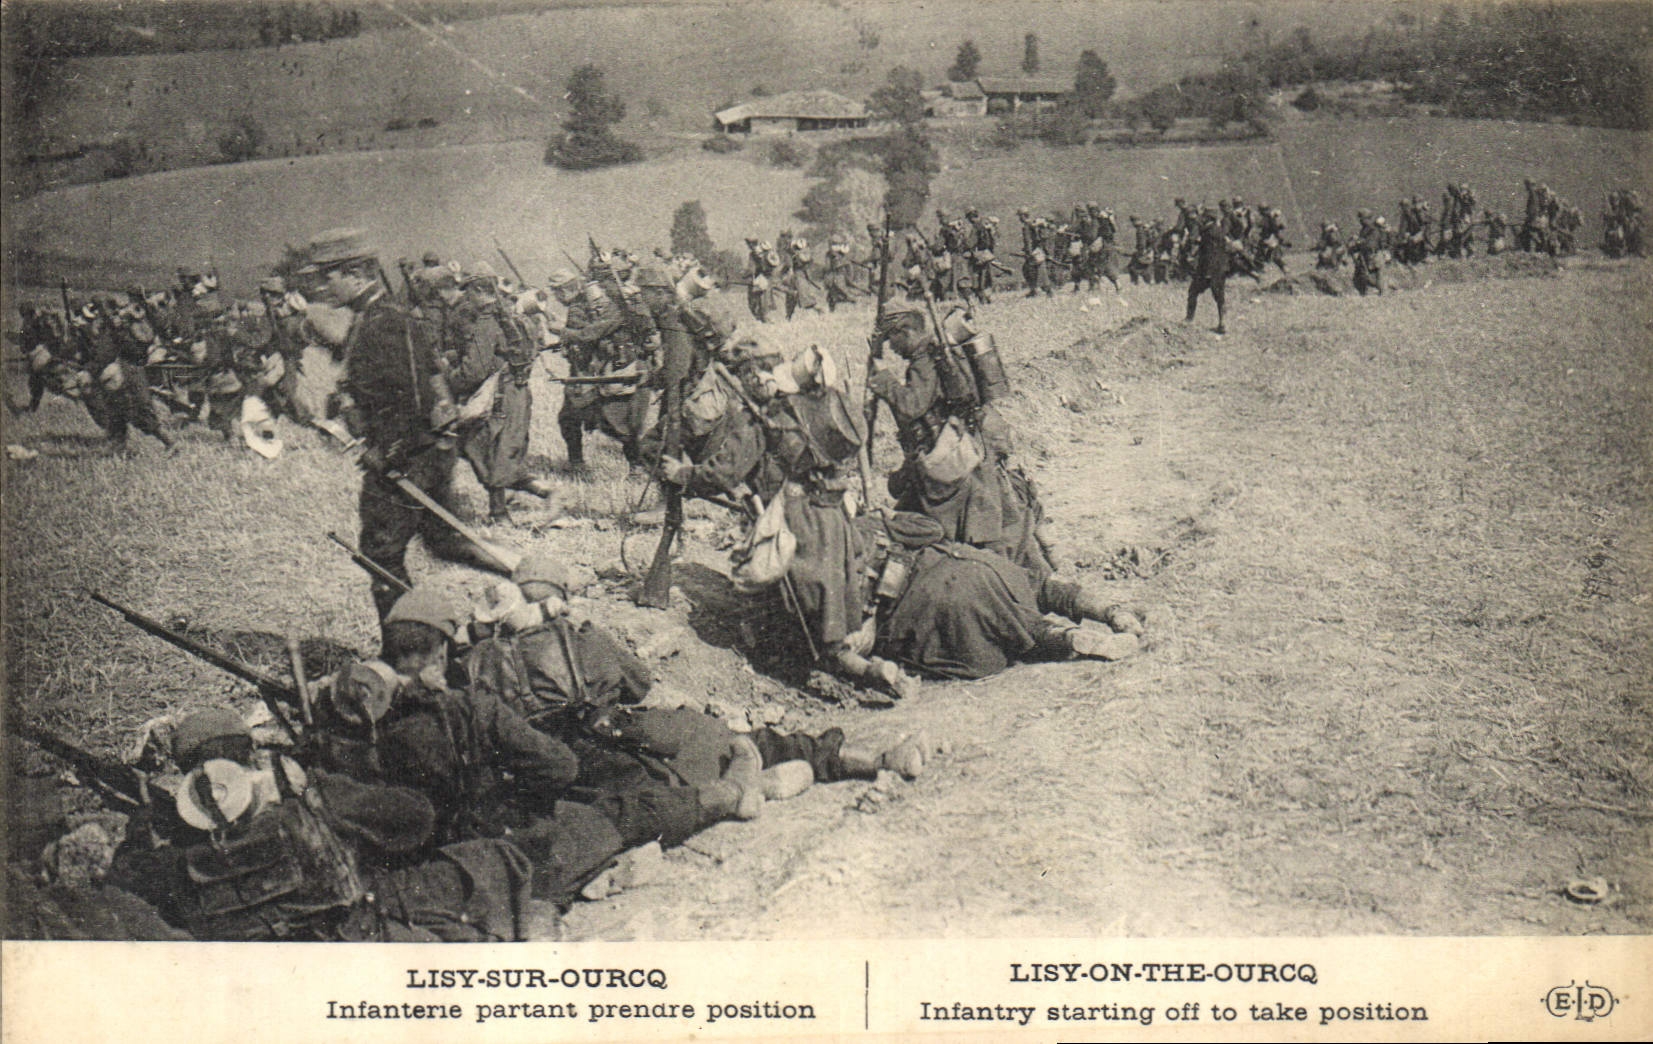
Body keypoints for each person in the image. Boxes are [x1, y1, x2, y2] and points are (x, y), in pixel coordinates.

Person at [310, 587, 765, 902]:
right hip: (504, 851)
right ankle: (726, 796)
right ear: (441, 652)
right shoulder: (467, 709)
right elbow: (560, 768)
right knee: (621, 813)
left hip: (425, 873)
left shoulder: (344, 723)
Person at [310, 227, 503, 621]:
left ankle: (412, 649)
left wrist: (389, 453)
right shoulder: (378, 315)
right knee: (443, 540)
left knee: (380, 557)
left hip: (404, 457)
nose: (324, 285)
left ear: (355, 273)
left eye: (329, 275)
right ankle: (524, 573)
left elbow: (416, 395)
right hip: (423, 451)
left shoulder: (383, 320)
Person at [1185, 206, 1231, 334]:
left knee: (1193, 292)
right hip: (1220, 269)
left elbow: (1198, 239)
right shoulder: (1220, 231)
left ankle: (1189, 319)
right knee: (1220, 297)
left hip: (1207, 270)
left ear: (1207, 218)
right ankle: (1223, 323)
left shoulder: (1207, 232)